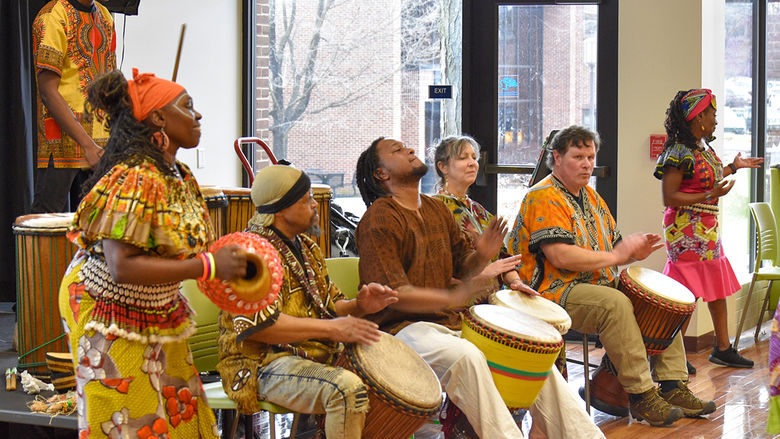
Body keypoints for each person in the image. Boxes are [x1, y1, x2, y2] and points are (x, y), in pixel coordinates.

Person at [355, 137, 605, 439]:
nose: (408, 150)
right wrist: (454, 295)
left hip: (449, 323)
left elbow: (464, 265)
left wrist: (484, 253)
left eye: (406, 146)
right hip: (399, 331)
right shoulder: (378, 218)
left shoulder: (436, 210)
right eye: (396, 150)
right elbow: (394, 295)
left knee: (530, 357)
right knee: (467, 357)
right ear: (382, 174)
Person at [58, 69, 247, 438]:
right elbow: (122, 266)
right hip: (106, 308)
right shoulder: (134, 176)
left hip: (157, 305)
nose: (199, 115)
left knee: (181, 412)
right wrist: (207, 266)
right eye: (188, 106)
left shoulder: (177, 174)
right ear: (158, 118)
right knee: (130, 419)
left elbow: (183, 244)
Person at [507, 125, 716, 427]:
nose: (587, 164)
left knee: (658, 300)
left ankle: (672, 385)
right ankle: (642, 395)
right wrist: (619, 256)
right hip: (551, 292)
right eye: (578, 156)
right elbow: (561, 256)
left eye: (590, 157)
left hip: (594, 285)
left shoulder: (591, 197)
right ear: (556, 156)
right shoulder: (543, 196)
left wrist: (634, 252)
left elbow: (615, 248)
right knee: (615, 302)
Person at [216, 165, 398, 439]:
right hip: (259, 362)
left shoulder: (307, 247)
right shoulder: (248, 254)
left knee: (384, 378)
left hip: (308, 354)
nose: (315, 205)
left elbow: (329, 305)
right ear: (280, 209)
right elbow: (261, 326)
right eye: (306, 199)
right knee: (345, 389)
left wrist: (360, 305)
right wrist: (332, 329)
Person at [654, 89, 762, 370]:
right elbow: (670, 196)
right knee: (686, 292)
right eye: (712, 113)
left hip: (706, 229)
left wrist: (733, 167)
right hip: (685, 230)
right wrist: (709, 195)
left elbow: (709, 179)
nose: (715, 118)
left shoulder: (703, 148)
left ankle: (723, 348)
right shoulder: (678, 151)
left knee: (715, 285)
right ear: (698, 116)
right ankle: (672, 356)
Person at [32, 0, 116, 213]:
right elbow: (48, 91)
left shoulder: (105, 16)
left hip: (100, 144)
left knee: (97, 225)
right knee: (47, 224)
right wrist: (87, 145)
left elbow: (110, 84)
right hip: (61, 142)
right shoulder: (53, 15)